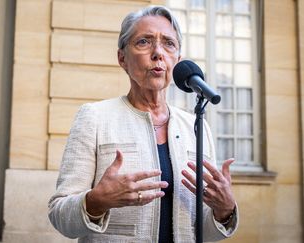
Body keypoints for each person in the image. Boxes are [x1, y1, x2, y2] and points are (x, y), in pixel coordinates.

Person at [48, 5, 238, 243]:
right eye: (144, 42)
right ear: (122, 58)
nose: (158, 52)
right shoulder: (94, 117)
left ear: (177, 61)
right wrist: (96, 201)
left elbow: (201, 233)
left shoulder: (196, 126)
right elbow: (59, 215)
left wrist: (225, 210)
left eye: (169, 43)